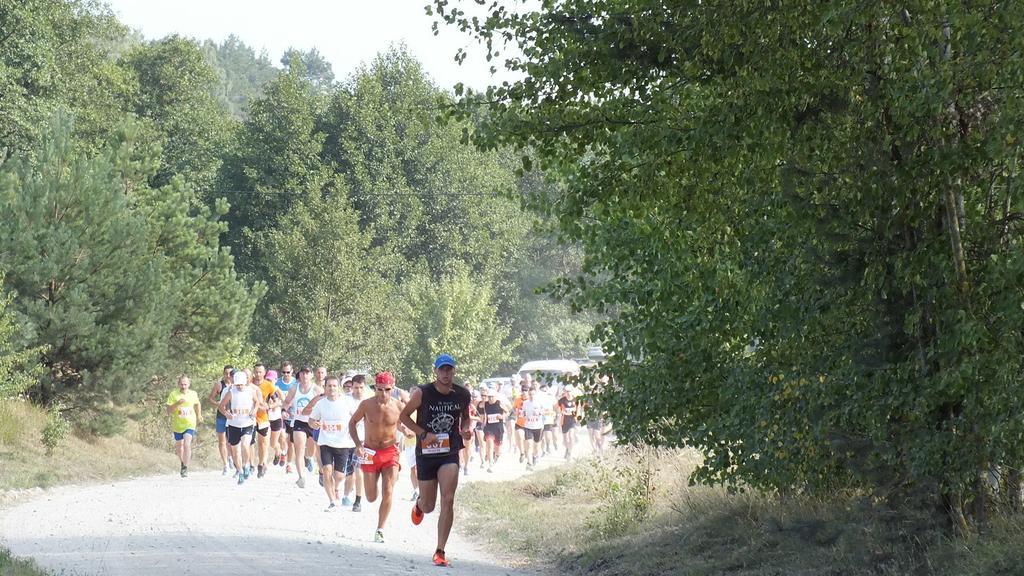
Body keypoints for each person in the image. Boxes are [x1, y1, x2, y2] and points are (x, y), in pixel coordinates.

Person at [400, 354, 472, 567]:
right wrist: (423, 434)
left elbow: (466, 417)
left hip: (449, 452)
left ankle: (440, 550)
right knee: (430, 505)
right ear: (436, 371)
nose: (446, 373)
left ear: (454, 371)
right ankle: (420, 505)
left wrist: (466, 430)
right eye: (442, 369)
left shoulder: (462, 394)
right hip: (427, 453)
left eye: (449, 369)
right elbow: (404, 417)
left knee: (448, 499)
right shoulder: (423, 393)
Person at [350, 371, 410, 543]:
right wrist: (358, 445)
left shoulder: (399, 406)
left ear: (393, 388)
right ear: (375, 387)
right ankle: (372, 492)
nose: (383, 393)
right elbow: (352, 423)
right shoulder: (366, 405)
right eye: (380, 389)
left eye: (387, 389)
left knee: (388, 490)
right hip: (369, 452)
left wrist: (405, 430)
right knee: (370, 497)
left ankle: (380, 529)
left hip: (390, 452)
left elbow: (404, 423)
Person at [305, 375, 358, 511]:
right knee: (326, 470)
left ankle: (336, 488)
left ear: (338, 387)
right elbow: (311, 420)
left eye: (334, 386)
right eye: (329, 386)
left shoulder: (347, 402)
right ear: (325, 387)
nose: (332, 388)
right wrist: (314, 424)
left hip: (343, 443)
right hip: (325, 443)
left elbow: (356, 417)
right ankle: (332, 501)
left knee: (339, 476)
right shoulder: (320, 404)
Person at [218, 370, 263, 485]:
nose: (239, 387)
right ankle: (240, 471)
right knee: (235, 450)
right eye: (237, 385)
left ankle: (246, 464)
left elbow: (257, 402)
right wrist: (226, 413)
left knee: (245, 445)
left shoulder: (251, 391)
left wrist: (254, 411)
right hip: (233, 425)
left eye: (241, 384)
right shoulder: (231, 392)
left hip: (247, 423)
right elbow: (221, 406)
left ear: (246, 382)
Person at [283, 365, 321, 488]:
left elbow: (324, 405)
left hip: (312, 422)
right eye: (303, 373)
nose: (305, 376)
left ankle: (308, 457)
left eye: (307, 373)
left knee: (311, 450)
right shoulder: (295, 388)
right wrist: (284, 410)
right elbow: (287, 401)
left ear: (311, 375)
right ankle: (301, 477)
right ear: (299, 375)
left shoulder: (317, 389)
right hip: (299, 421)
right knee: (298, 449)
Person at [166, 375, 202, 477]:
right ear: (178, 384)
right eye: (182, 384)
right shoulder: (173, 394)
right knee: (179, 447)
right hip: (178, 425)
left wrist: (199, 415)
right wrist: (177, 403)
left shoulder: (193, 394)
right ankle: (182, 463)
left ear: (189, 384)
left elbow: (197, 404)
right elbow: (169, 411)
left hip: (190, 423)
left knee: (187, 444)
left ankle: (185, 467)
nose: (184, 386)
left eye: (185, 384)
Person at [342, 375, 367, 510]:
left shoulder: (369, 401)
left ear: (364, 387)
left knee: (359, 470)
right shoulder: (345, 399)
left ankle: (358, 501)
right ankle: (346, 495)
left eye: (361, 387)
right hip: (346, 440)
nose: (358, 390)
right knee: (348, 472)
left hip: (362, 441)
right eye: (355, 387)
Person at [208, 365, 234, 475]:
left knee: (231, 441)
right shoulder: (219, 385)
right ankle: (225, 465)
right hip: (221, 416)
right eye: (226, 373)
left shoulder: (237, 385)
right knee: (222, 441)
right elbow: (210, 398)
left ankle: (231, 457)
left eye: (230, 373)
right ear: (223, 374)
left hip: (232, 416)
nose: (227, 376)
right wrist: (217, 403)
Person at [275, 362, 297, 471]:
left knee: (290, 441)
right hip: (281, 415)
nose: (286, 374)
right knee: (282, 437)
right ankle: (283, 452)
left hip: (293, 415)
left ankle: (289, 464)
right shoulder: (277, 383)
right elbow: (274, 397)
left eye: (288, 372)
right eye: (284, 372)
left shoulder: (296, 383)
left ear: (292, 371)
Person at [479, 387, 508, 472]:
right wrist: (484, 422)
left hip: (498, 427)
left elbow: (507, 412)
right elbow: (484, 413)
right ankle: (490, 463)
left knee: (498, 447)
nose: (490, 398)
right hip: (489, 427)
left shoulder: (500, 403)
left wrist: (502, 416)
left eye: (492, 397)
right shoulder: (486, 404)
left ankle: (497, 455)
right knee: (489, 442)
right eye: (489, 397)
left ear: (495, 396)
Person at [521, 386, 545, 470]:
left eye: (533, 394)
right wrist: (523, 414)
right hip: (528, 426)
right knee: (529, 444)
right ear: (528, 394)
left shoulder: (539, 402)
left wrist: (539, 413)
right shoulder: (525, 403)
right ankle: (529, 463)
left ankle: (535, 456)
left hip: (538, 426)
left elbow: (545, 411)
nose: (531, 396)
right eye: (530, 394)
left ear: (535, 394)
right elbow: (522, 413)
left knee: (537, 446)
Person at [558, 388, 580, 460]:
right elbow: (557, 408)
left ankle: (570, 452)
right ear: (565, 392)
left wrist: (577, 415)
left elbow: (578, 409)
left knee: (571, 436)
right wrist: (560, 412)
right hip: (564, 421)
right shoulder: (562, 400)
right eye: (567, 391)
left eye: (569, 391)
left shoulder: (576, 399)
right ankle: (567, 449)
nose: (568, 393)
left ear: (572, 392)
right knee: (566, 439)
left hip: (572, 420)